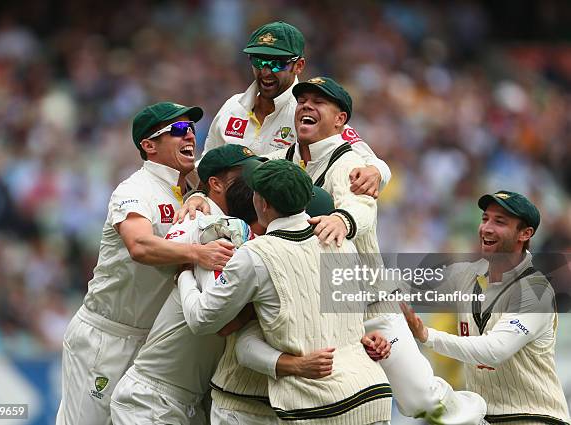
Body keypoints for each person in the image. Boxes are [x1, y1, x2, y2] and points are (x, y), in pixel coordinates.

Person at [263, 76, 486, 423]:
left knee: (419, 400)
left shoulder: (349, 161)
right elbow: (233, 178)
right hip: (312, 307)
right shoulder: (279, 161)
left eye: (318, 102)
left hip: (369, 304)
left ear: (340, 121)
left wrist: (343, 219)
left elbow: (362, 208)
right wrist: (200, 196)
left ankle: (477, 417)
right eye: (302, 100)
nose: (306, 106)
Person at [110, 144, 356, 425]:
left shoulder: (249, 240)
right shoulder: (213, 231)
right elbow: (216, 322)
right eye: (249, 179)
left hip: (191, 398)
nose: (256, 188)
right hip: (153, 398)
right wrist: (189, 263)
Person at [55, 102, 234, 425]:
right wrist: (198, 254)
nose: (189, 135)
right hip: (107, 336)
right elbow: (139, 246)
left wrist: (198, 195)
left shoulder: (193, 190)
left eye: (192, 129)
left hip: (152, 340)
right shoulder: (134, 189)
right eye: (178, 130)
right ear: (148, 145)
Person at [179, 160, 393, 425]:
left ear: (263, 203)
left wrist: (185, 272)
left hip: (319, 408)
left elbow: (202, 320)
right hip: (372, 395)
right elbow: (345, 324)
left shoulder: (256, 255)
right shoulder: (341, 241)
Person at [403, 191, 570, 425]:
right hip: (484, 418)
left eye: (499, 221)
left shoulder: (535, 290)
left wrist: (427, 335)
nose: (486, 228)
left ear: (525, 233)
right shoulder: (464, 275)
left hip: (536, 418)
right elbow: (400, 287)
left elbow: (495, 350)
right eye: (485, 219)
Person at [202, 20, 390, 199]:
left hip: (284, 223)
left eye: (277, 63)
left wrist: (376, 171)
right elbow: (206, 165)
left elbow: (368, 161)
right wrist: (198, 195)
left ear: (299, 65)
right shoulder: (232, 107)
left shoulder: (307, 113)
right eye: (259, 61)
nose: (266, 71)